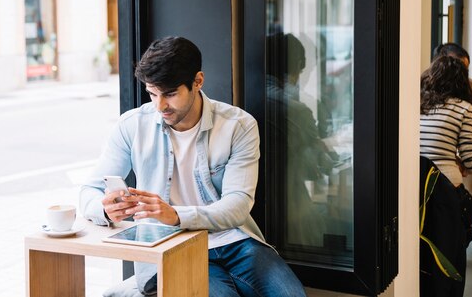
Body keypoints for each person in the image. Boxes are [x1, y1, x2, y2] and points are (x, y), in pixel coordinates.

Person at [80, 36, 307, 297]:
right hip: (171, 245)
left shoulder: (238, 126)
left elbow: (238, 205)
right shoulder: (132, 126)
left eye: (170, 94)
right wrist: (106, 209)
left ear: (197, 81)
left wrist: (176, 215)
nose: (160, 105)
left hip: (235, 241)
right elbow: (89, 190)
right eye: (152, 93)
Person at [419, 55, 472, 296]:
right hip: (444, 195)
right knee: (454, 252)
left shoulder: (418, 103)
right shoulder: (463, 108)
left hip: (418, 190)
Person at [266, 33, 336, 247]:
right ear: (296, 67)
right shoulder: (297, 110)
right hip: (292, 212)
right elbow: (319, 168)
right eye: (304, 71)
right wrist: (330, 147)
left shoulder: (243, 100)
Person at [432, 42, 472, 221]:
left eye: (465, 71)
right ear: (440, 66)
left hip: (460, 168)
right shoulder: (424, 96)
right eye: (458, 69)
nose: (462, 76)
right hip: (448, 172)